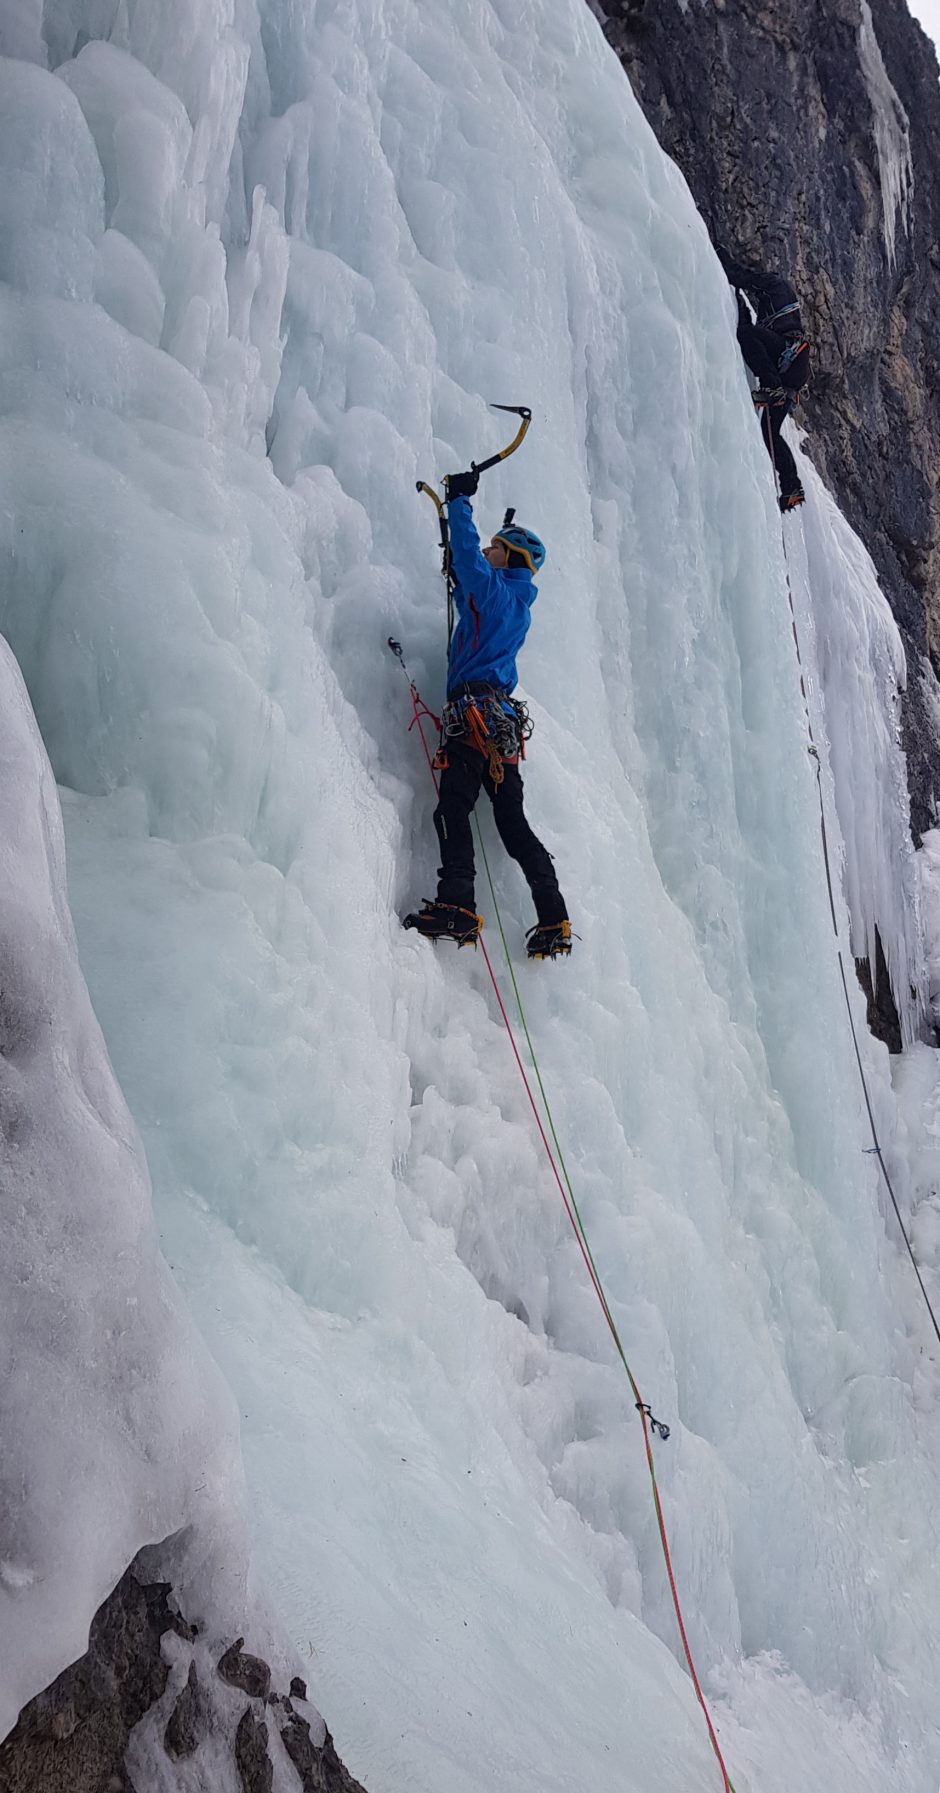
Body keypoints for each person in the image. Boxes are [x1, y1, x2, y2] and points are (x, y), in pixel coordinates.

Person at [403, 471, 571, 959]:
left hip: (473, 718)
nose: (489, 552)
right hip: (501, 727)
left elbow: (472, 565)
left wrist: (459, 502)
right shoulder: (516, 605)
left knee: (453, 806)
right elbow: (470, 587)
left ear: (511, 557)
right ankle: (553, 915)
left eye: (498, 548)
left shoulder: (495, 593)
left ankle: (457, 901)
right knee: (512, 823)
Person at [718, 250, 811, 513]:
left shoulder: (775, 284)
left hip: (788, 358)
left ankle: (770, 388)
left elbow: (739, 276)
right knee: (769, 432)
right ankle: (792, 487)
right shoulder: (775, 304)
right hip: (791, 368)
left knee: (749, 338)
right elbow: (756, 334)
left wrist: (717, 253)